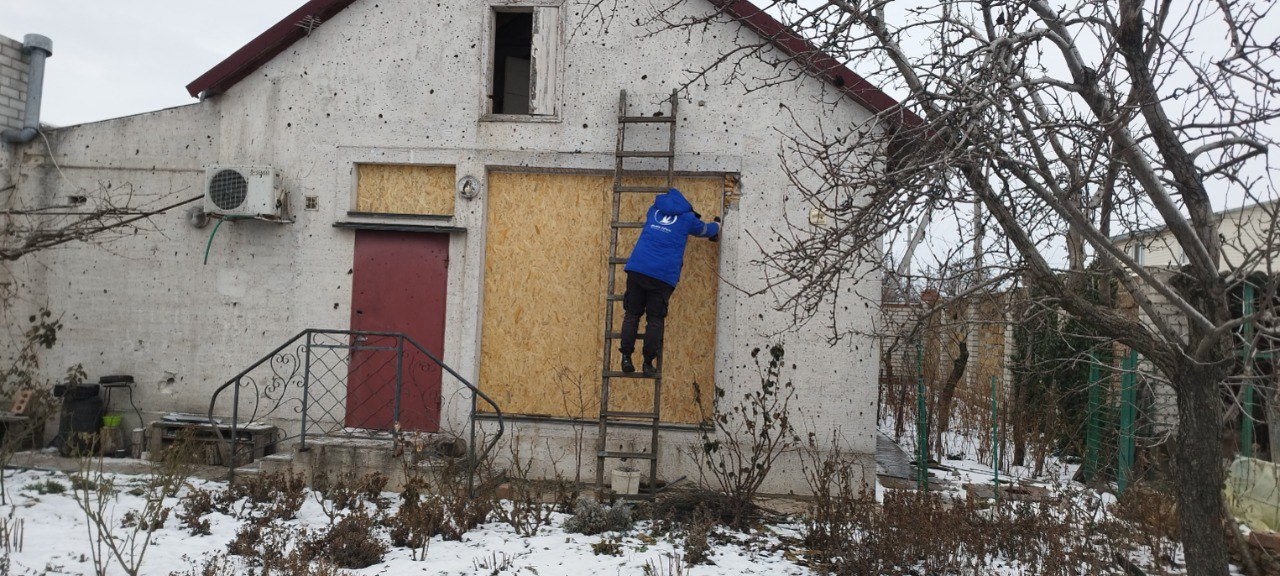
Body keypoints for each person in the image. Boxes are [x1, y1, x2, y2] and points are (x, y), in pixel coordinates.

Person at [619, 187, 720, 376]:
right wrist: (717, 225)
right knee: (654, 319)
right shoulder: (687, 218)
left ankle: (626, 358)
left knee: (632, 314)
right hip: (662, 276)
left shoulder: (653, 210)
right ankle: (647, 363)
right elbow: (705, 230)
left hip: (638, 269)